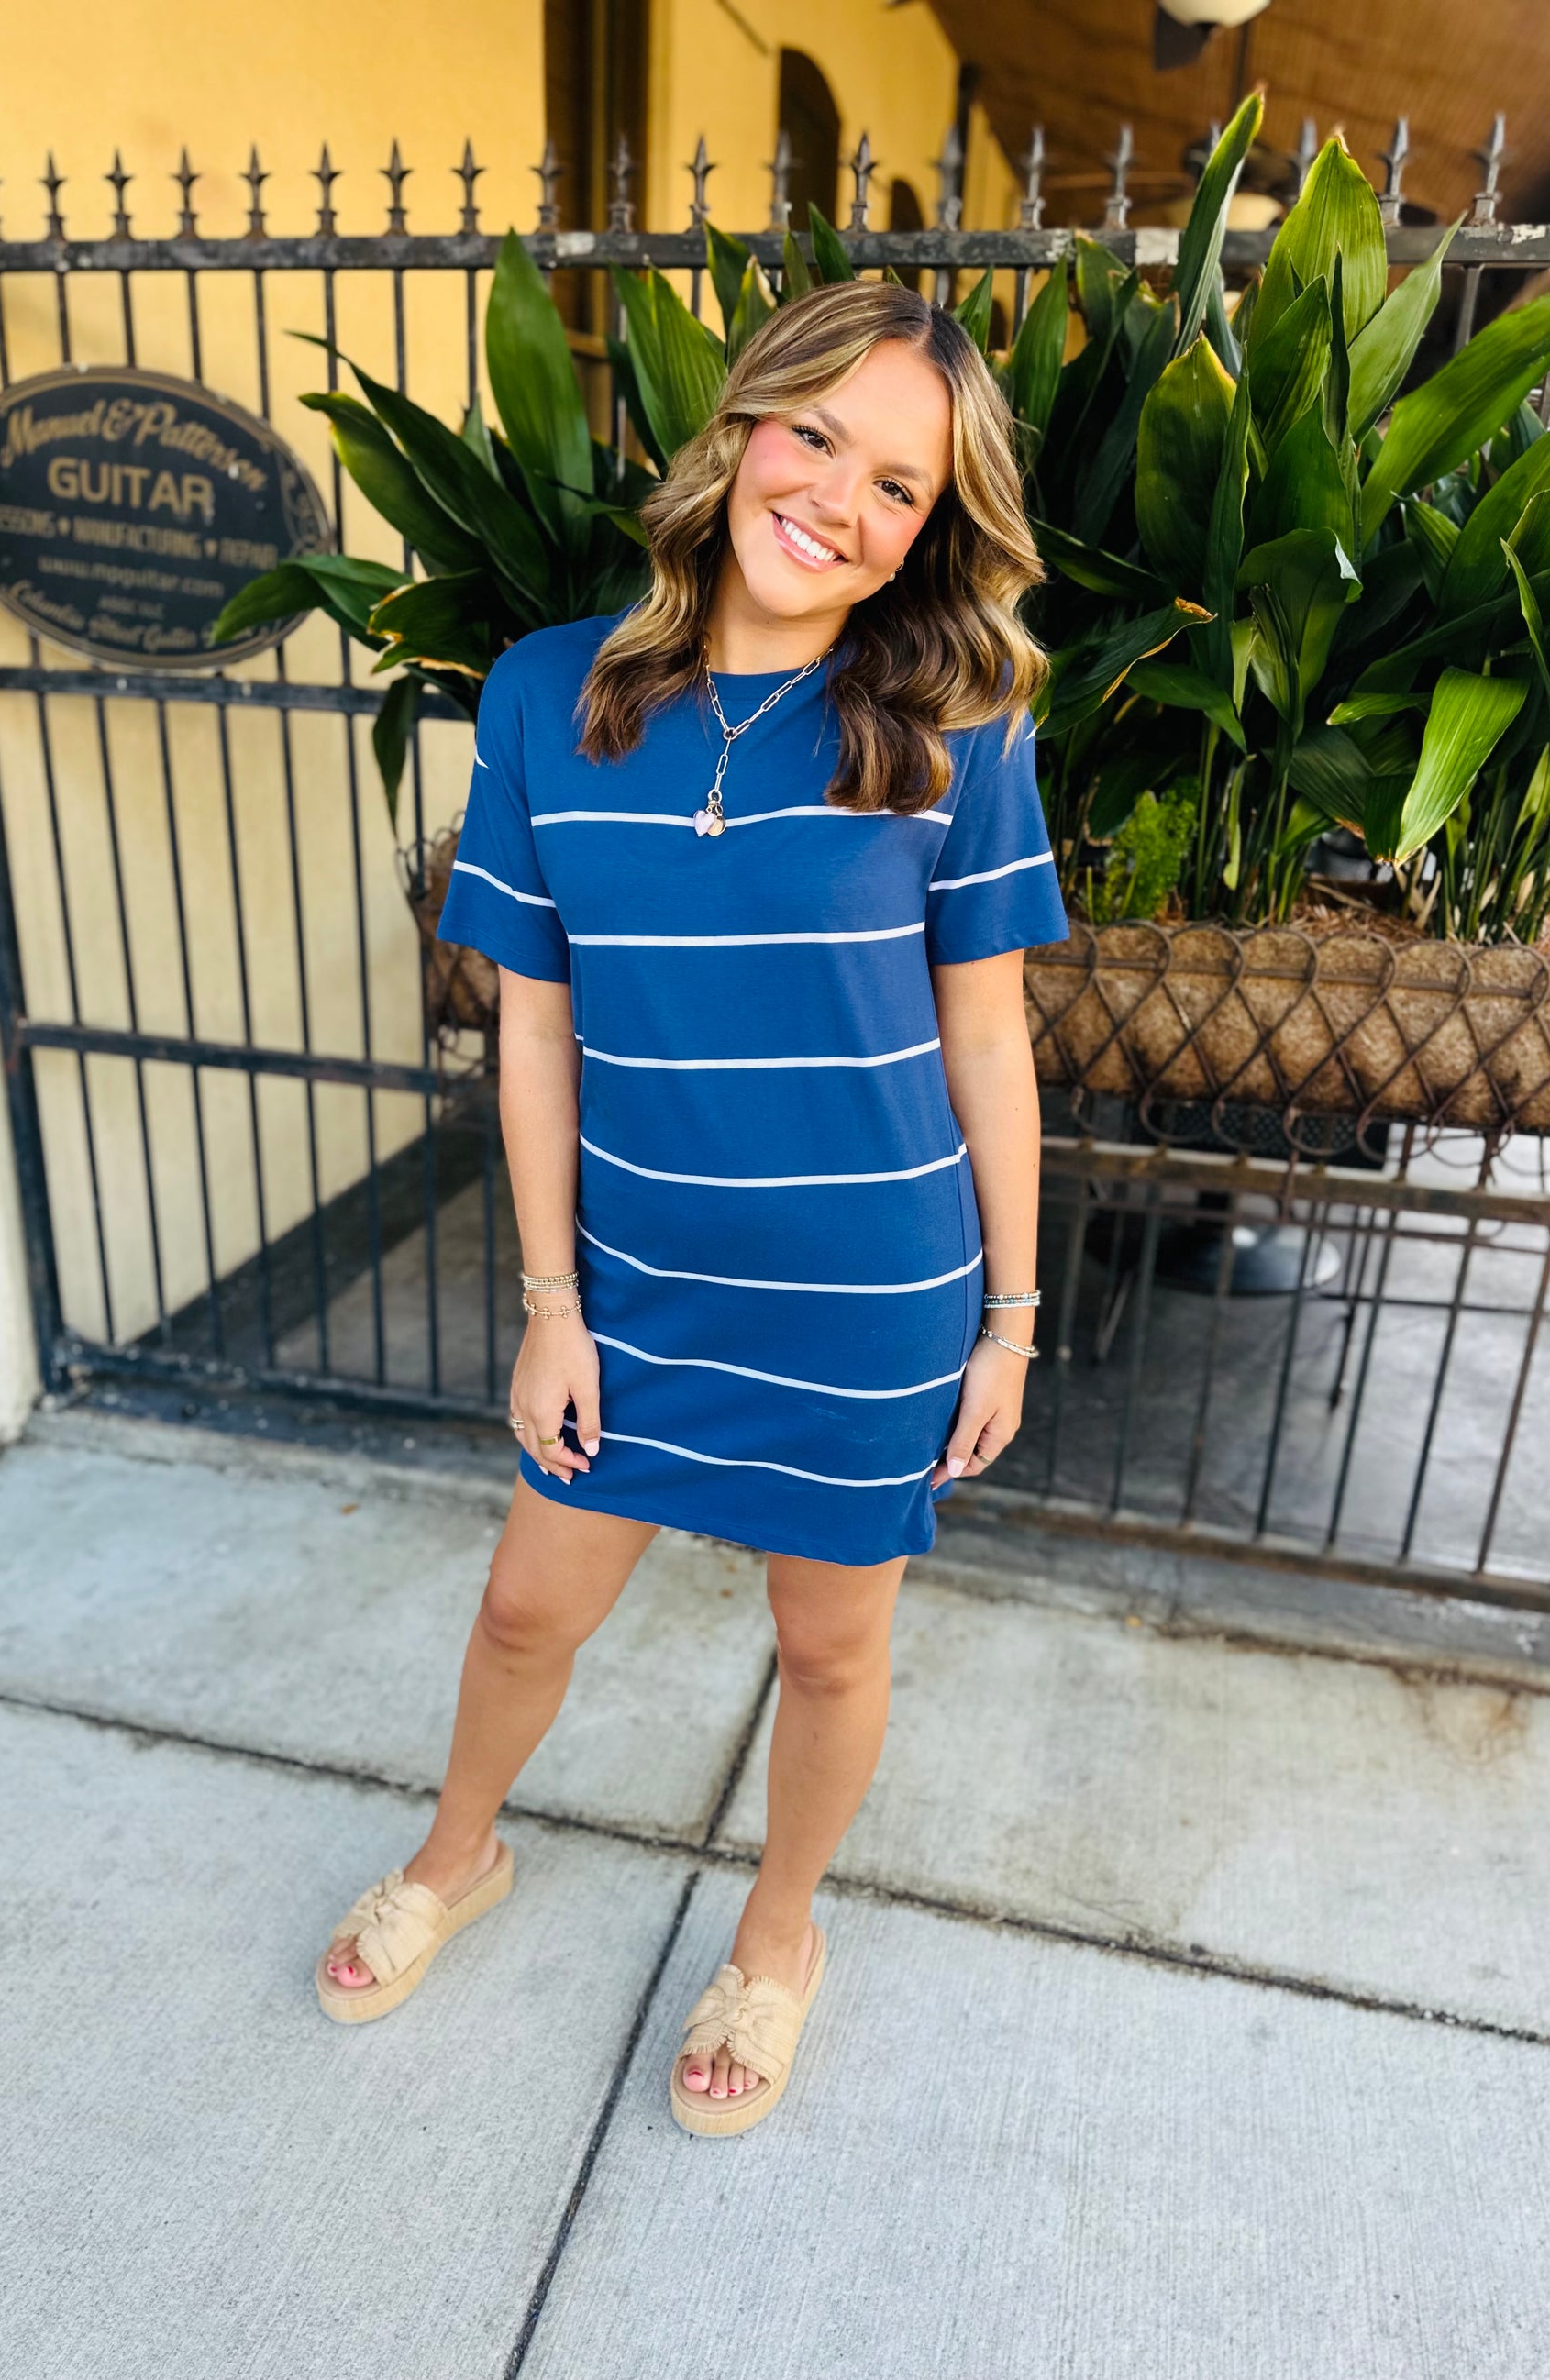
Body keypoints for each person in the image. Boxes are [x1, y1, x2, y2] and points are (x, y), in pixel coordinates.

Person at [315, 278, 1066, 2137]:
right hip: (635, 1288)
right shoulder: (546, 695)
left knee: (827, 1646)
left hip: (869, 1295)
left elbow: (987, 1039)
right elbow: (533, 1028)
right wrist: (550, 1301)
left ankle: (779, 1934)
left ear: (929, 530)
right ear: (738, 429)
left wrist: (1010, 1319)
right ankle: (458, 1851)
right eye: (815, 435)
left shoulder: (958, 722)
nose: (837, 501)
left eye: (897, 485)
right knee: (523, 1610)